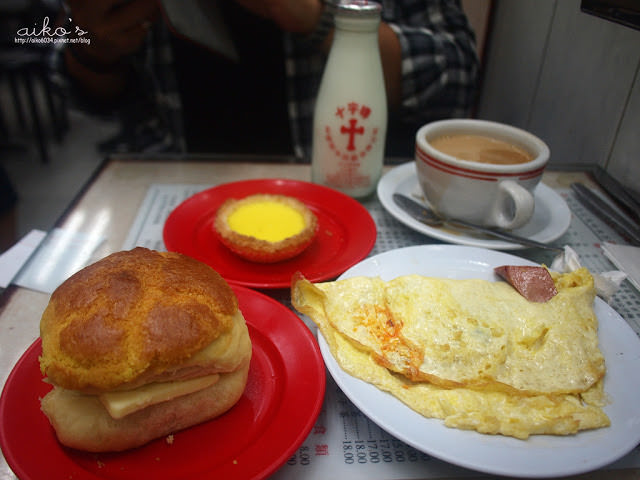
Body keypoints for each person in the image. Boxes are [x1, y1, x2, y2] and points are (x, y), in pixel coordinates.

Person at [55, 0, 479, 159]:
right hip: (167, 183)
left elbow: (458, 80)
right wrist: (94, 45)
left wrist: (320, 18)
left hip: (343, 186)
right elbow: (87, 97)